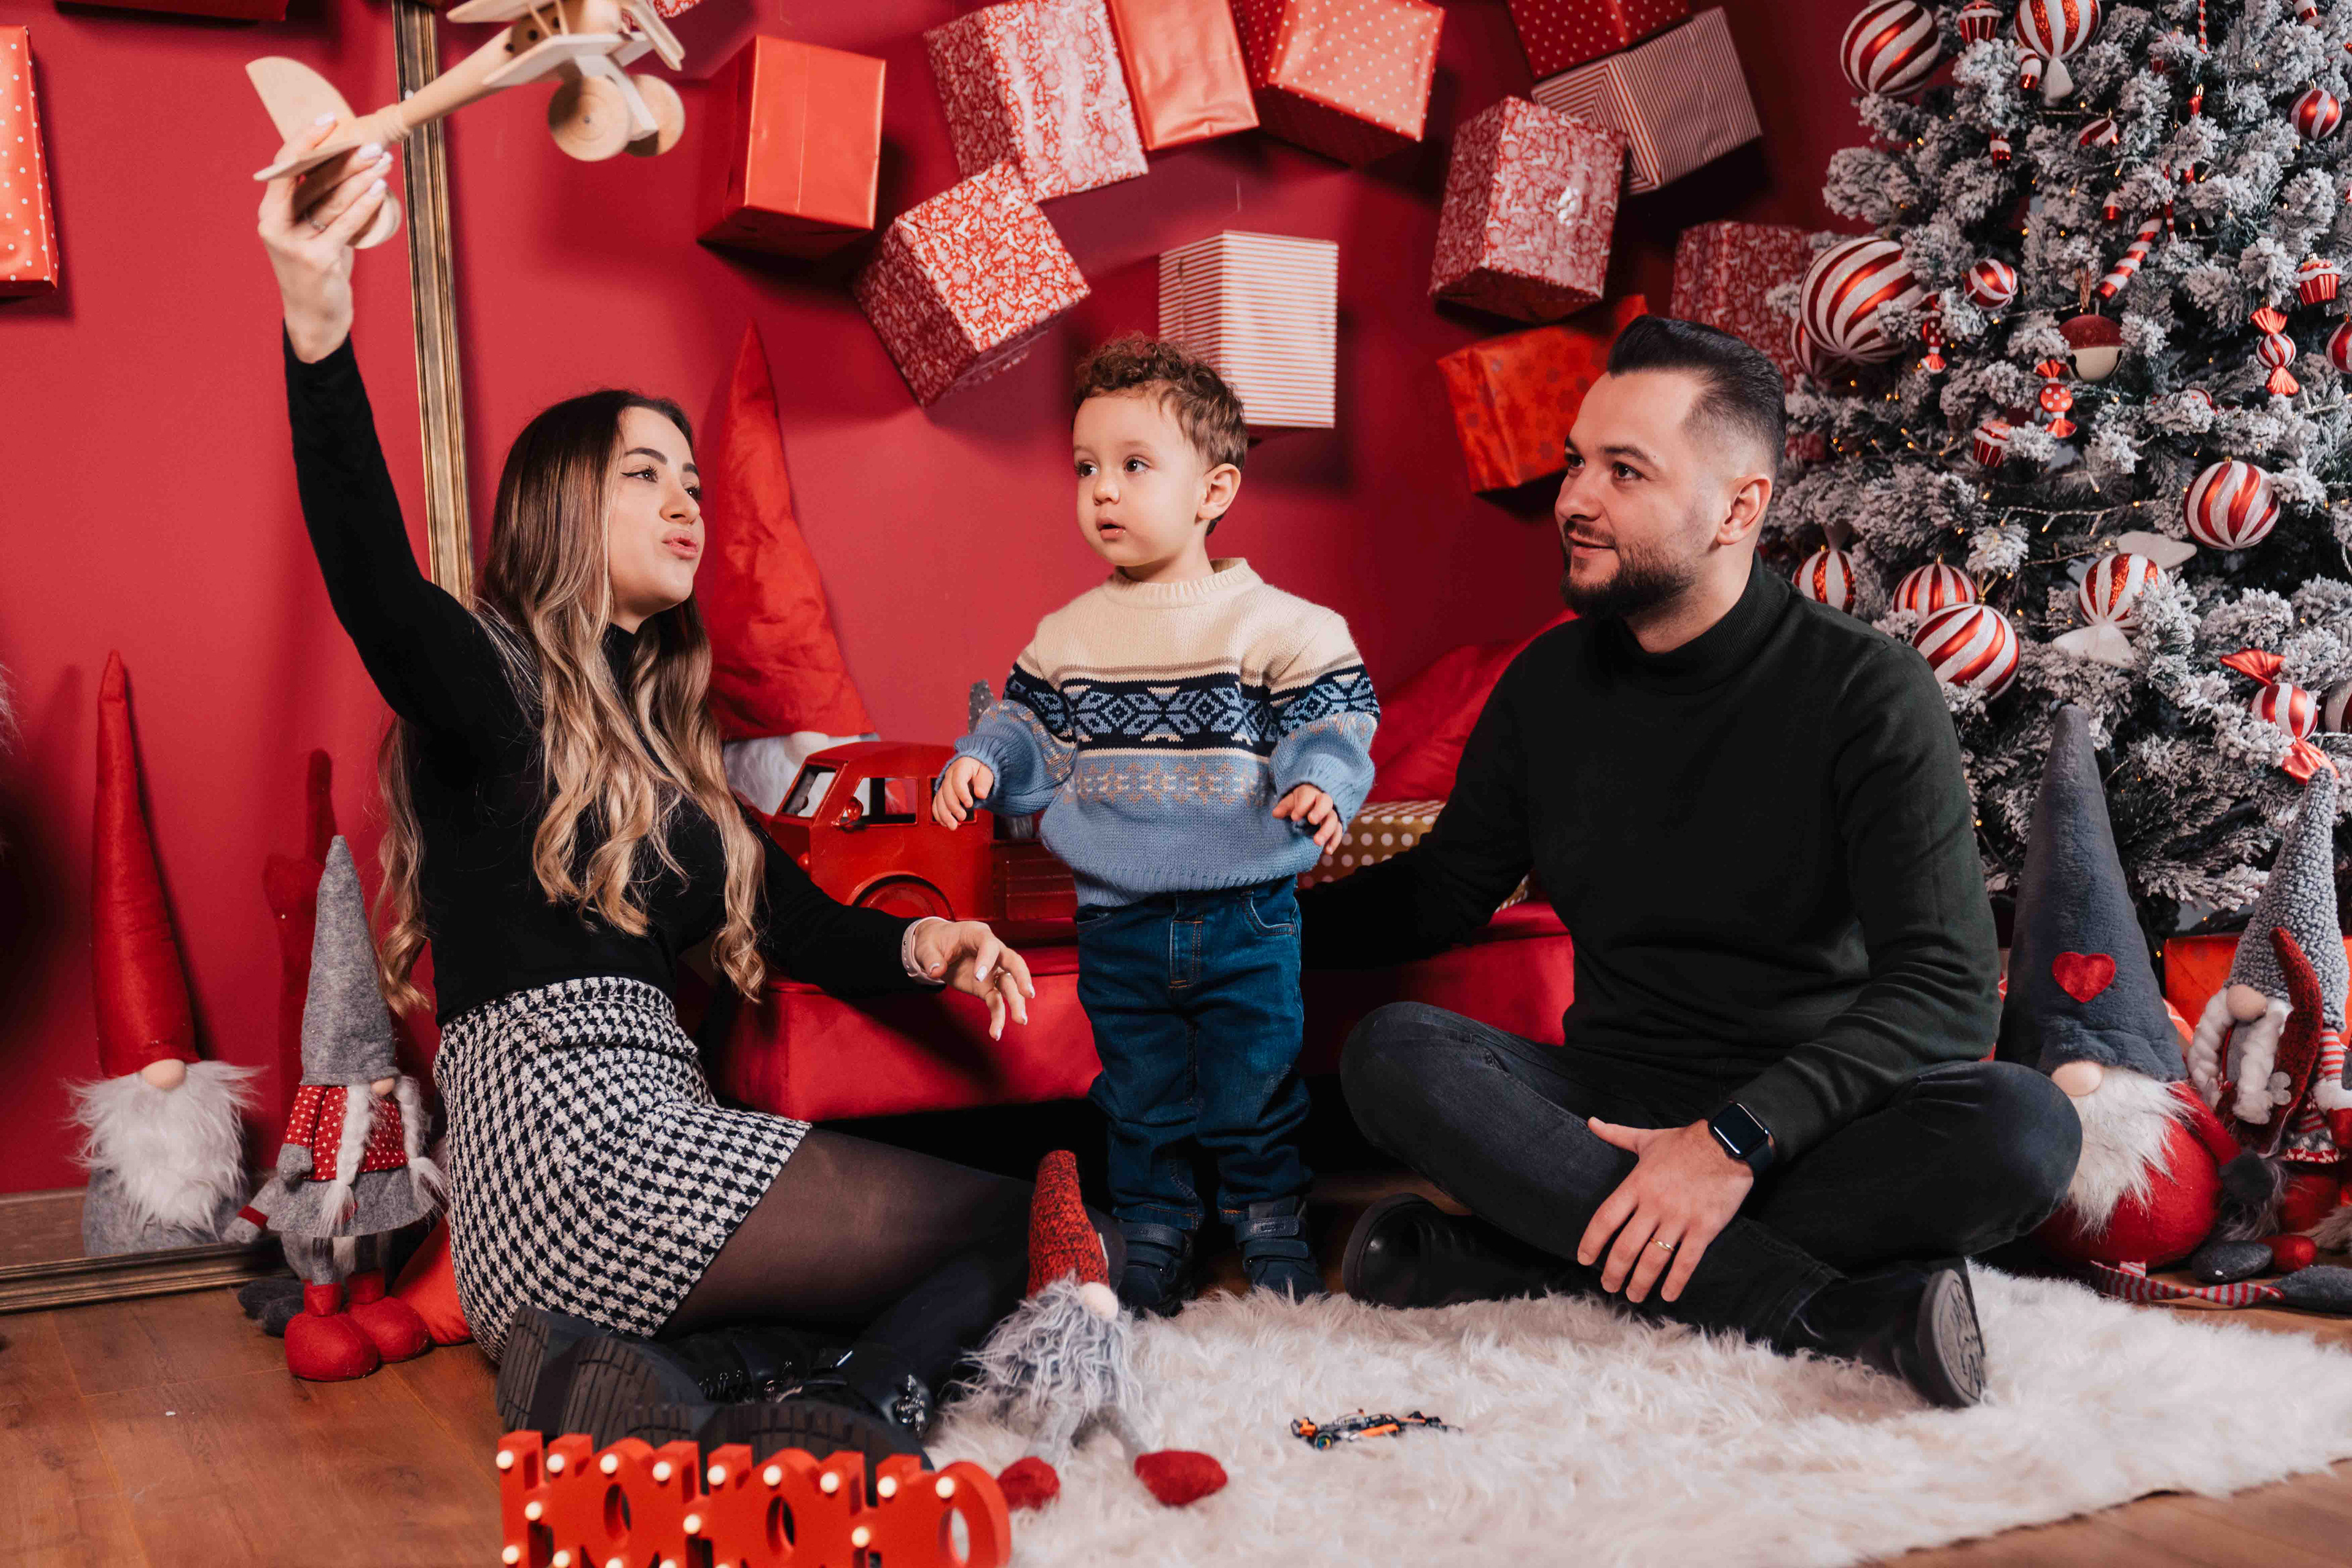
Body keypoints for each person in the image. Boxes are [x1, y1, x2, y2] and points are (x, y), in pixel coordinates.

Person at [258, 129, 1098, 1463]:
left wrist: (932, 940)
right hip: (589, 1146)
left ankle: (638, 1379)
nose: (686, 502)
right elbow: (371, 575)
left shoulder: (669, 758)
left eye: (694, 481)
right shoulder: (488, 678)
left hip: (587, 1192)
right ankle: (853, 1411)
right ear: (559, 504)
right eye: (644, 474)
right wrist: (317, 319)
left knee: (1014, 1216)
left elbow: (797, 923)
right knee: (1030, 1224)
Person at [1307, 315, 2080, 1408]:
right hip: (1607, 1103)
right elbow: (1441, 894)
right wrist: (1249, 926)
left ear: (1738, 509)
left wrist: (1729, 1143)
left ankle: (1528, 1256)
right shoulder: (1545, 689)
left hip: (1808, 1118)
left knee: (2026, 1130)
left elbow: (1947, 991)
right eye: (1577, 461)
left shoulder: (1866, 691)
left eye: (1625, 471)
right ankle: (1825, 1313)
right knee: (1395, 1054)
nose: (1575, 499)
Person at [933, 336, 1379, 1313]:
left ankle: (1270, 1219)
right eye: (1086, 467)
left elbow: (1335, 715)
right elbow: (1026, 727)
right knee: (1138, 1089)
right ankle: (1154, 1225)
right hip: (1119, 916)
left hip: (1247, 913)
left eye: (1135, 465)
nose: (1103, 489)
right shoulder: (1069, 637)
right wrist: (982, 759)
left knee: (1255, 1081)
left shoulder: (1279, 625)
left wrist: (1320, 780)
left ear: (1214, 491)